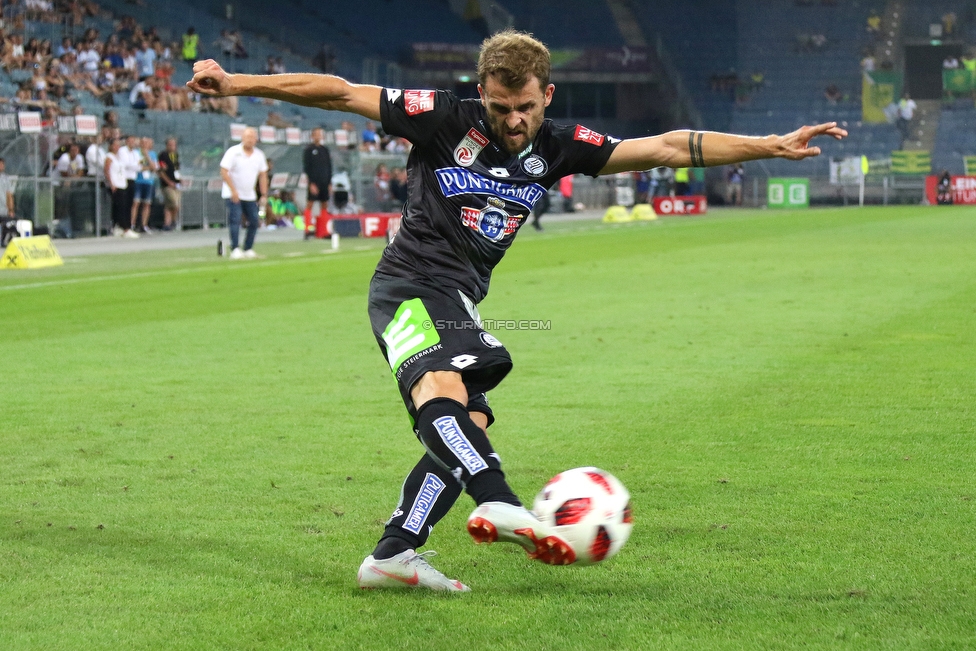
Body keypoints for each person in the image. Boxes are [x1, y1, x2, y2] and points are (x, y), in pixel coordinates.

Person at [187, 29, 845, 592]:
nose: (512, 121)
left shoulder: (557, 144)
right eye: (500, 106)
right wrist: (236, 82)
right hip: (408, 285)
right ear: (482, 91)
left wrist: (770, 145)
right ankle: (499, 501)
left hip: (458, 297)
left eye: (524, 107)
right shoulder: (441, 115)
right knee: (441, 394)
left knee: (466, 417)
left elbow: (669, 146)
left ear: (546, 97)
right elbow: (338, 92)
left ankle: (393, 553)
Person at [219, 127, 268, 259]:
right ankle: (235, 248)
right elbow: (224, 171)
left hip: (249, 194)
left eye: (252, 137)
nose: (250, 140)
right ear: (242, 138)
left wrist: (263, 194)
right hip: (233, 193)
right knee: (235, 219)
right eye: (248, 137)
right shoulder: (233, 152)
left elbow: (263, 175)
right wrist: (233, 190)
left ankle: (248, 248)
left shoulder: (259, 155)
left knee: (254, 220)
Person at [104, 138, 136, 238]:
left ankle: (120, 226)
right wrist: (111, 183)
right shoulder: (109, 157)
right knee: (120, 207)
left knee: (125, 206)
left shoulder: (118, 157)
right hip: (116, 184)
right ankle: (124, 227)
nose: (117, 147)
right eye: (115, 145)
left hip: (122, 184)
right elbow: (107, 170)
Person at [303, 127, 332, 218]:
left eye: (320, 134)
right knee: (310, 203)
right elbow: (307, 167)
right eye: (316, 134)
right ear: (312, 136)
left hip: (324, 181)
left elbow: (329, 166)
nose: (318, 136)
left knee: (324, 203)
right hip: (314, 181)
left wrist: (329, 182)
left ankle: (323, 226)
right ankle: (307, 226)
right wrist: (311, 183)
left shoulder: (325, 150)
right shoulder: (309, 150)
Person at [132, 136, 157, 233]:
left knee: (147, 203)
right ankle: (133, 224)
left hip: (148, 181)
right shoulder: (136, 153)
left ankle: (144, 224)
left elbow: (154, 167)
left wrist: (147, 156)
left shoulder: (152, 154)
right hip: (138, 180)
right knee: (136, 202)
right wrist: (147, 167)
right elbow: (138, 166)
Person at [157, 137, 181, 231]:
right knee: (173, 202)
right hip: (167, 184)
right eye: (170, 145)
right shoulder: (163, 155)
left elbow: (177, 169)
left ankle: (168, 223)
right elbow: (161, 171)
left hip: (176, 183)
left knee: (171, 204)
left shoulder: (175, 155)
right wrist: (168, 182)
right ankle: (173, 220)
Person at [0, 158, 16, 242]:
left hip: (3, 209)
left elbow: (9, 195)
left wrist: (11, 209)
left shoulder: (5, 179)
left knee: (7, 225)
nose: (2, 166)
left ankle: (3, 240)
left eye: (3, 164)